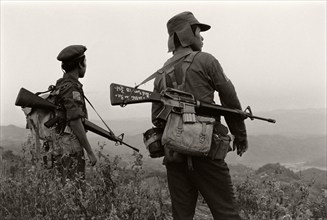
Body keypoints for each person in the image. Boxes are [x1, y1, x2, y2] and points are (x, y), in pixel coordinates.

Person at [151, 12, 248, 220]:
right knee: (227, 214)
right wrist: (240, 136)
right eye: (198, 32)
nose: (202, 38)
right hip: (207, 153)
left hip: (174, 156)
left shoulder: (160, 75)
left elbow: (156, 119)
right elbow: (230, 102)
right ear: (187, 34)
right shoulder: (206, 61)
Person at [53, 45, 97, 183]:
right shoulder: (71, 88)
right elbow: (74, 121)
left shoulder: (61, 85)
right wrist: (90, 152)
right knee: (74, 192)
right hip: (70, 148)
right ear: (80, 63)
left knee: (65, 192)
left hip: (60, 146)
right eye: (85, 62)